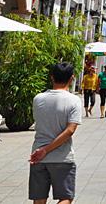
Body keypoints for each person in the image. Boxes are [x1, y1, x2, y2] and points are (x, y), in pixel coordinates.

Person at [29, 63, 82, 204]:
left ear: (52, 78)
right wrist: (46, 150)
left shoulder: (38, 98)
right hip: (62, 157)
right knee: (65, 198)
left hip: (37, 155)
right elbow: (70, 130)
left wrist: (42, 150)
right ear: (72, 79)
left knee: (39, 198)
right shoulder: (74, 100)